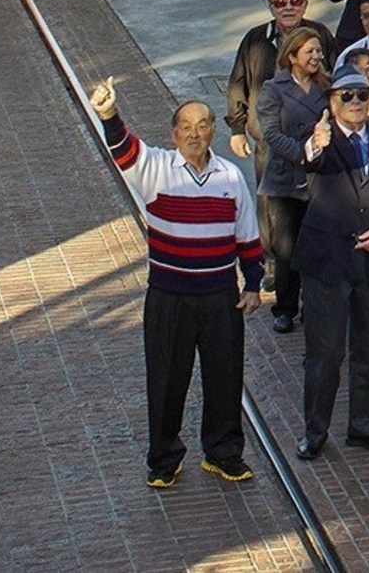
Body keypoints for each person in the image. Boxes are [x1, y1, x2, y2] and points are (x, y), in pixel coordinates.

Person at [91, 76, 264, 490]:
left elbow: (247, 235)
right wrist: (109, 114)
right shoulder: (156, 170)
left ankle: (223, 454)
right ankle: (164, 458)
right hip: (169, 297)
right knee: (167, 378)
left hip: (220, 297)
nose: (193, 134)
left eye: (202, 125)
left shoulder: (229, 178)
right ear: (173, 134)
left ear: (212, 131)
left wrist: (253, 283)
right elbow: (125, 150)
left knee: (225, 377)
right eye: (185, 127)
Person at [294, 72, 369, 460]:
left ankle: (364, 426)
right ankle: (315, 430)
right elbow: (308, 160)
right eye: (347, 95)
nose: (356, 101)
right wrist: (313, 146)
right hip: (327, 262)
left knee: (368, 349)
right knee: (325, 353)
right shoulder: (320, 135)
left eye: (362, 94)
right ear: (332, 101)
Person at [251, 21, 332, 335]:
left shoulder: (326, 86)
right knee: (286, 249)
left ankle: (312, 306)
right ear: (293, 55)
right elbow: (271, 132)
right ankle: (284, 307)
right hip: (286, 181)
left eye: (319, 51)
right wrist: (304, 150)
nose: (317, 56)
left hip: (318, 181)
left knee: (315, 247)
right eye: (310, 51)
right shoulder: (274, 89)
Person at [226, 0, 311, 165]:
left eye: (295, 2)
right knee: (269, 194)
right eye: (280, 3)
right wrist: (237, 130)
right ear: (272, 8)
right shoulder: (255, 39)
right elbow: (238, 84)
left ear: (305, 5)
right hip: (267, 139)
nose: (288, 7)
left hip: (310, 140)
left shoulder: (320, 36)